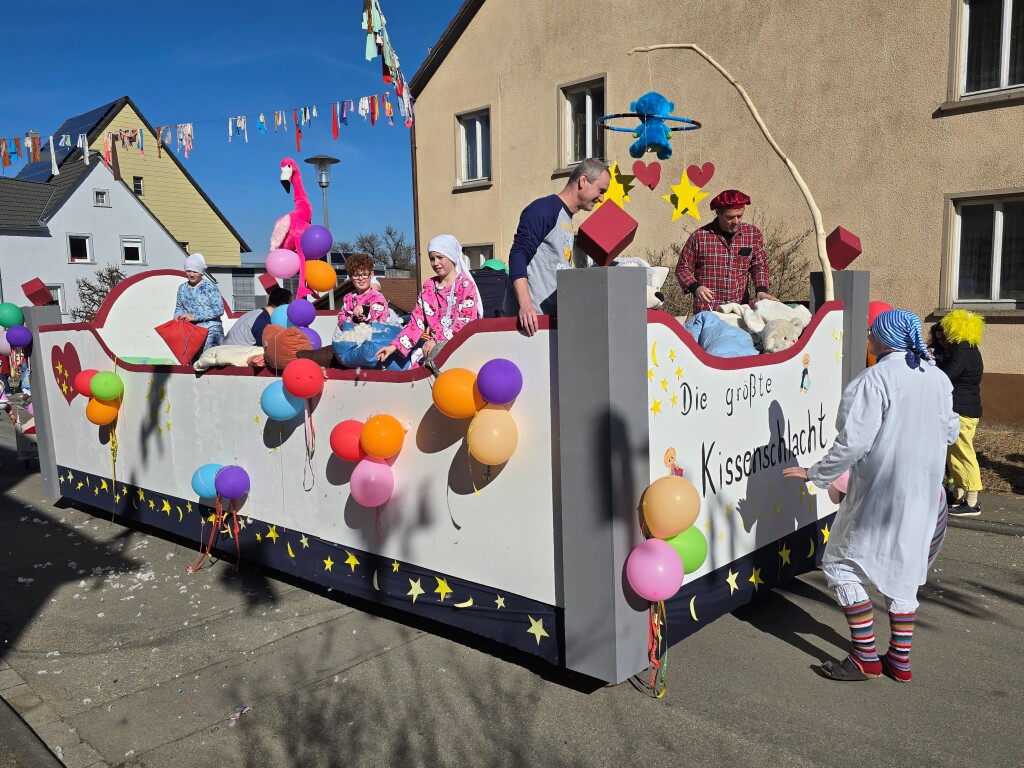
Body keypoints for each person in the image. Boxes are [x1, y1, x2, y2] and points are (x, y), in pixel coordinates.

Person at [782, 309, 959, 682]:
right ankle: (900, 661)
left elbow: (852, 443)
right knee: (905, 572)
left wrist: (815, 473)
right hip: (927, 495)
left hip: (881, 493)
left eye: (871, 334)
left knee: (839, 566)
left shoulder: (875, 379)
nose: (868, 338)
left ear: (883, 340)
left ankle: (865, 656)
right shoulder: (938, 380)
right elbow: (950, 433)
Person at [502, 158, 610, 335]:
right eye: (601, 190)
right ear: (583, 181)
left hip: (553, 323)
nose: (602, 198)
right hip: (532, 325)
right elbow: (518, 255)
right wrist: (526, 305)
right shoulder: (544, 210)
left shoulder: (566, 218)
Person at [377, 235, 482, 366]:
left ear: (451, 256)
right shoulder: (429, 287)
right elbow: (416, 323)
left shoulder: (466, 286)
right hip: (432, 353)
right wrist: (394, 347)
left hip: (460, 351)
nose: (435, 263)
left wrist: (437, 340)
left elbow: (465, 322)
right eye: (432, 259)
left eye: (440, 257)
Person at [675, 189, 778, 313]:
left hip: (739, 311)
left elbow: (759, 266)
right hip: (708, 311)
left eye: (739, 216)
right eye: (730, 217)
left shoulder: (753, 234)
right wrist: (696, 287)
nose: (736, 221)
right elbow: (682, 268)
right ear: (718, 213)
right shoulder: (699, 236)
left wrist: (761, 290)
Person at [937, 310, 985, 517]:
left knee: (964, 453)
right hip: (967, 407)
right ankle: (960, 495)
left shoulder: (960, 352)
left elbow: (945, 377)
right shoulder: (972, 350)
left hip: (961, 409)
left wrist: (934, 365)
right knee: (955, 454)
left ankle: (972, 501)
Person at [174, 253, 225, 352]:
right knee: (193, 364)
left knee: (209, 361)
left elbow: (219, 309)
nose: (191, 274)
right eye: (188, 271)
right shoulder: (182, 288)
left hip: (211, 332)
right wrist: (177, 321)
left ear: (201, 272)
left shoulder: (209, 287)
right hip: (191, 333)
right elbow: (179, 307)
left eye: (195, 271)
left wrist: (194, 316)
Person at [224, 287, 293, 347]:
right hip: (237, 353)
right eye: (289, 304)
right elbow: (264, 346)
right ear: (283, 305)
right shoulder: (264, 320)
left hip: (228, 349)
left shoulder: (256, 313)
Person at [338, 254, 389, 326]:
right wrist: (354, 318)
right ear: (350, 277)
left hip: (372, 336)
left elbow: (381, 320)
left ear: (371, 275)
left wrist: (366, 310)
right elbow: (341, 321)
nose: (361, 278)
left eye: (364, 274)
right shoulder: (348, 298)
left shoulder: (377, 297)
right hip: (352, 336)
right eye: (356, 275)